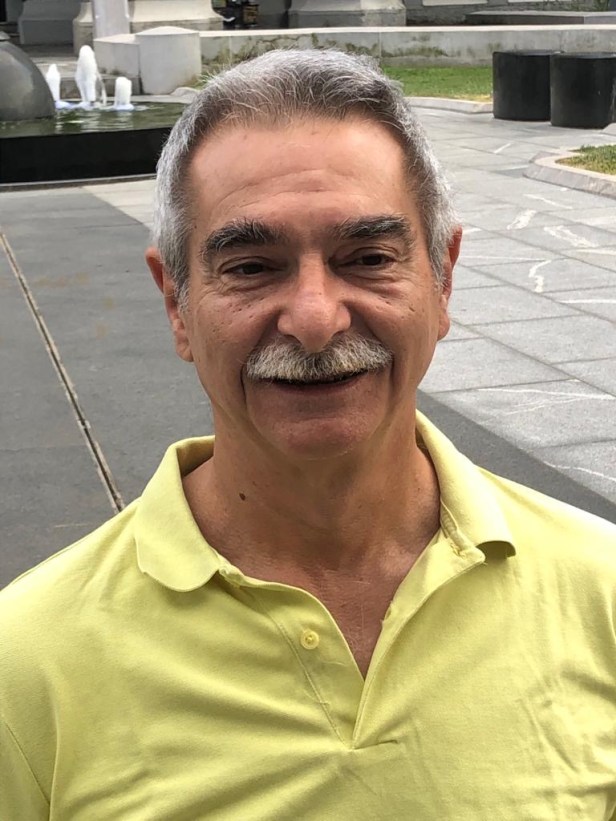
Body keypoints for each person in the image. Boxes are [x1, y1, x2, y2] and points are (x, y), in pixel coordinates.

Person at [1, 49, 615, 820]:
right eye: (252, 267)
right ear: (177, 303)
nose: (317, 319)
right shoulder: (26, 664)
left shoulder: (602, 593)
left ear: (443, 281)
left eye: (368, 257)